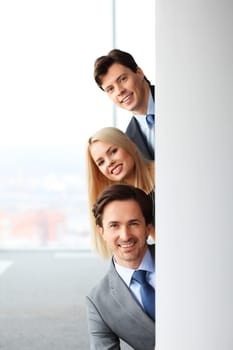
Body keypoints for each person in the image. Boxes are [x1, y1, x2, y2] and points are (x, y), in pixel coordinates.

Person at [86, 184, 155, 350]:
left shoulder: (180, 260)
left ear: (147, 227)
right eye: (114, 225)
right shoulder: (98, 301)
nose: (125, 236)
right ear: (101, 231)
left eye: (133, 223)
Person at [86, 126, 155, 258]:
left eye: (113, 152)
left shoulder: (165, 174)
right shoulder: (123, 204)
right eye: (101, 162)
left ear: (131, 145)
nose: (109, 163)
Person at [94, 49, 155, 160]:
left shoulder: (175, 96)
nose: (119, 91)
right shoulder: (128, 142)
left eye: (123, 79)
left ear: (139, 73)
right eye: (110, 89)